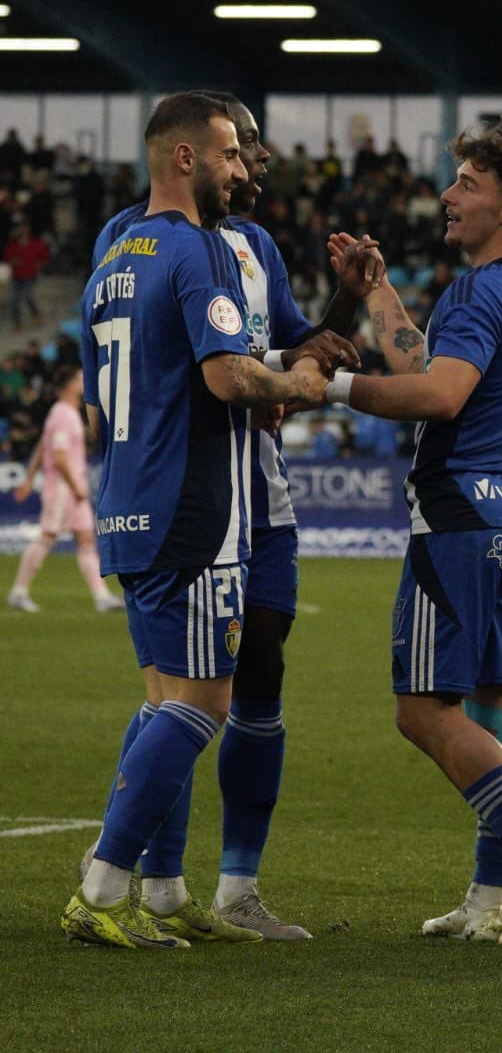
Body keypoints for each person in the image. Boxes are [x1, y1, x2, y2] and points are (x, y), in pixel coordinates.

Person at [91, 94, 368, 941]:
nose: (252, 164)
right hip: (201, 494)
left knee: (253, 675)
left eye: (253, 151)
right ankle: (140, 883)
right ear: (196, 154)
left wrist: (345, 307)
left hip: (248, 498)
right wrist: (280, 385)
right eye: (239, 148)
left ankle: (226, 887)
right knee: (190, 696)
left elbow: (294, 343)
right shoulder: (183, 244)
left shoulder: (236, 248)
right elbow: (238, 371)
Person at [328, 127, 502, 947]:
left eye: (467, 183)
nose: (448, 194)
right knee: (497, 703)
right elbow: (438, 365)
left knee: (421, 709)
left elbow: (438, 395)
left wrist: (325, 383)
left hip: (460, 520)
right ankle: (487, 898)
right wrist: (376, 296)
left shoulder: (479, 291)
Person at [7, 368, 122, 613]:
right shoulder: (63, 415)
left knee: (85, 539)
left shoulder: (61, 413)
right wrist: (75, 487)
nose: (84, 381)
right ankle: (18, 591)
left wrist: (28, 479)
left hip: (71, 486)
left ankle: (101, 597)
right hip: (62, 488)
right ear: (69, 385)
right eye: (80, 378)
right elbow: (59, 457)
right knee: (48, 536)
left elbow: (41, 446)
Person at [5, 219, 49, 328]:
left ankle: (35, 314)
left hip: (30, 274)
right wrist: (13, 260)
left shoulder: (35, 243)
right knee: (14, 301)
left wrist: (40, 264)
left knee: (29, 296)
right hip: (16, 275)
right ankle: (17, 324)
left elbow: (44, 255)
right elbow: (8, 255)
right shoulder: (13, 244)